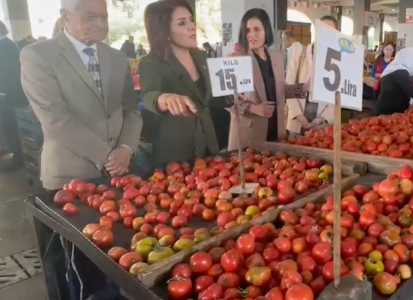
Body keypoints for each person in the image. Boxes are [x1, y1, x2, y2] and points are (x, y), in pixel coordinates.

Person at [21, 0, 142, 189]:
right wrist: (109, 156)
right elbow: (55, 119)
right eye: (90, 17)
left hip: (120, 171)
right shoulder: (38, 56)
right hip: (70, 177)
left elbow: (131, 109)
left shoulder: (117, 57)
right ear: (65, 16)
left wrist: (126, 149)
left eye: (104, 17)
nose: (101, 24)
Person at [138, 0, 223, 166]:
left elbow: (210, 97)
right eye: (182, 23)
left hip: (209, 141)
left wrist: (233, 98)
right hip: (176, 150)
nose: (192, 26)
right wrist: (166, 99)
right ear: (164, 30)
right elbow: (148, 96)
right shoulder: (151, 62)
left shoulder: (201, 57)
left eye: (191, 20)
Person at [227, 8, 306, 150]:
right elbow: (226, 100)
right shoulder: (235, 59)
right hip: (250, 133)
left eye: (257, 29)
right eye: (247, 30)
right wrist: (253, 108)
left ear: (266, 31)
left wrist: (303, 88)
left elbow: (281, 89)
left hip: (276, 130)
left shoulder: (277, 57)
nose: (251, 35)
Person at [285, 16, 338, 135]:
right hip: (298, 117)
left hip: (321, 121)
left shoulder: (337, 60)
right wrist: (297, 114)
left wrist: (322, 118)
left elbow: (337, 94)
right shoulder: (300, 52)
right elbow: (288, 85)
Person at [374, 48, 413, 115]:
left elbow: (400, 87)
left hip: (391, 113)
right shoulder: (399, 72)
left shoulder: (394, 69)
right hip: (386, 115)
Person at [0, 21, 27, 171]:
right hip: (9, 93)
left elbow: (8, 73)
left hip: (11, 94)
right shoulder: (6, 45)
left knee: (12, 127)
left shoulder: (6, 46)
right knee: (10, 126)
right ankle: (17, 156)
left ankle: (18, 158)